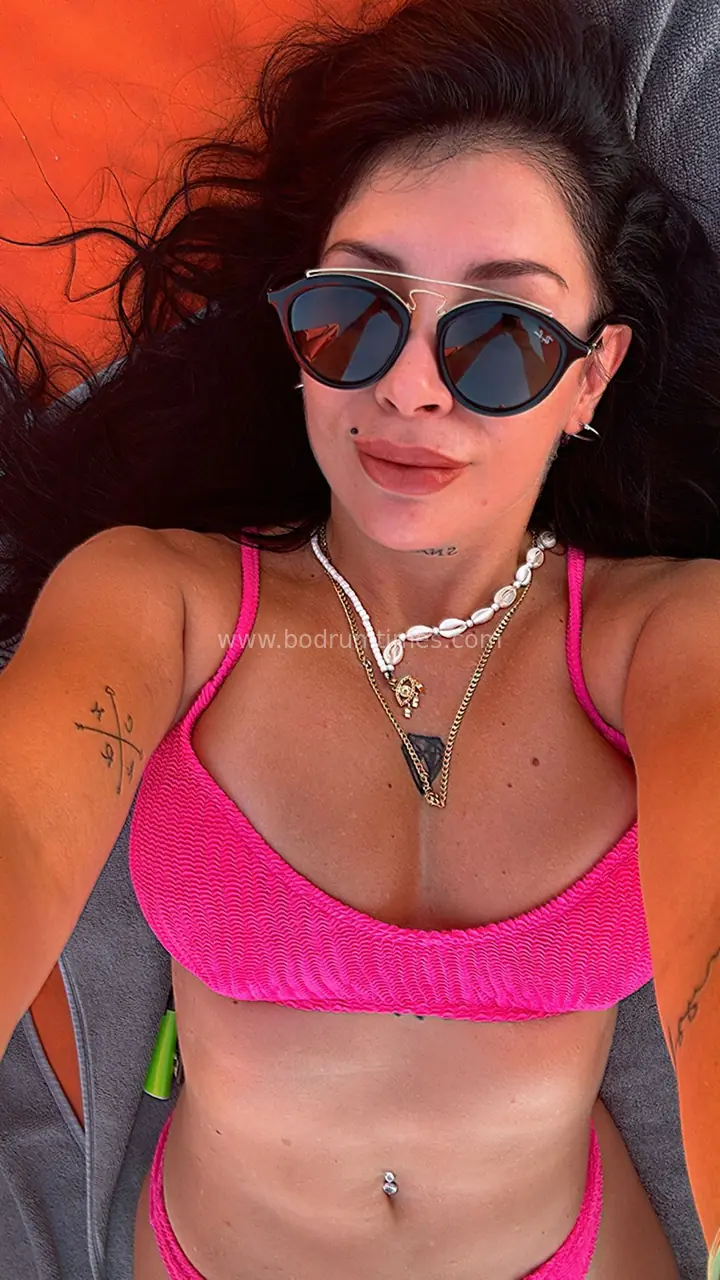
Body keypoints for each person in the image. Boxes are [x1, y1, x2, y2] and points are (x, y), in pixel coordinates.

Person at [2, 0, 720, 1275]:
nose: (409, 385)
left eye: (501, 334)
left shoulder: (667, 635)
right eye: (356, 310)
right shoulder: (160, 601)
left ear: (591, 374)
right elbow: (21, 824)